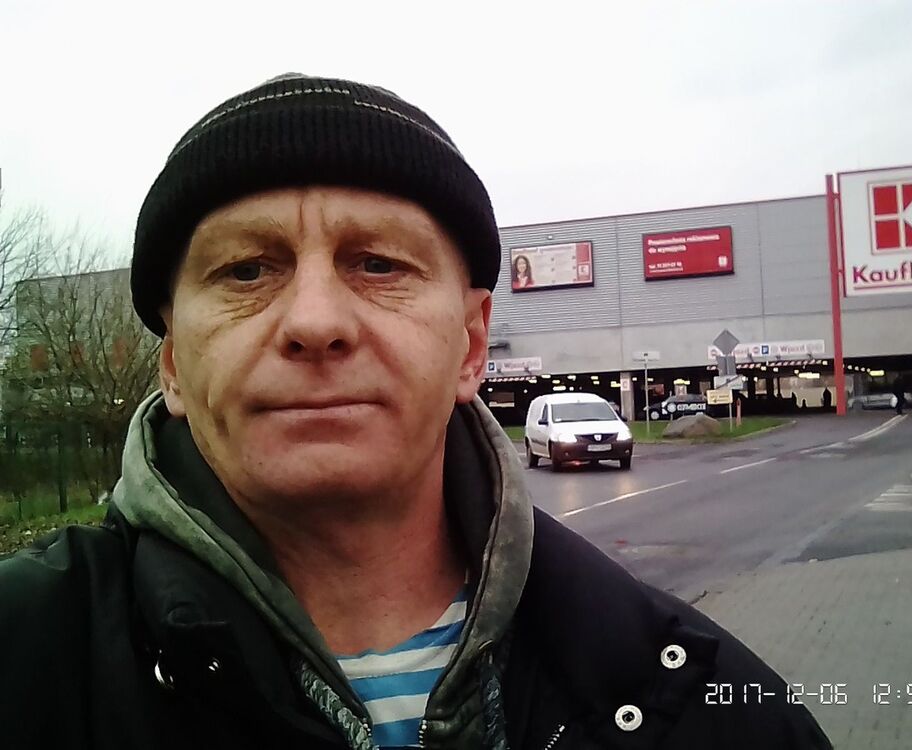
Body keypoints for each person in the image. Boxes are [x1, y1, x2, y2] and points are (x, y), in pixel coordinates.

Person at [0, 74, 831, 749]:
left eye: (378, 264)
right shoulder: (26, 659)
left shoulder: (700, 702)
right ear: (175, 366)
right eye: (248, 271)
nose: (314, 321)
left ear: (471, 344)